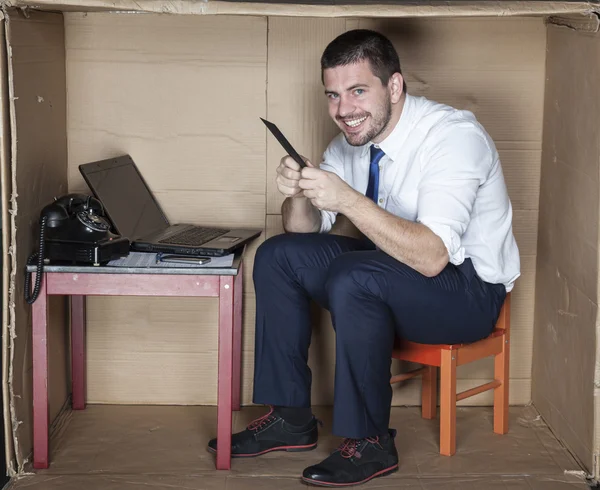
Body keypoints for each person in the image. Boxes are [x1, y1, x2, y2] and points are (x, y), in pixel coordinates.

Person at [208, 29, 520, 487]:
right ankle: (291, 418)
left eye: (358, 91)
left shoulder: (453, 137)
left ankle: (371, 442)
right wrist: (298, 192)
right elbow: (303, 233)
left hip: (467, 293)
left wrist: (348, 200)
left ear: (393, 87)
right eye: (333, 95)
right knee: (279, 255)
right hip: (388, 276)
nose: (343, 110)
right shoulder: (349, 144)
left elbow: (433, 257)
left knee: (356, 276)